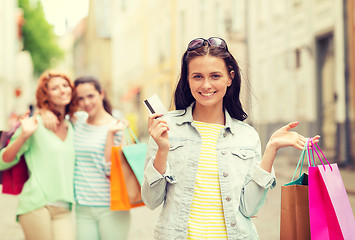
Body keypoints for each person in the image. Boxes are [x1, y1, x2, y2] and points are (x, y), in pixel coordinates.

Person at [141, 37, 320, 239]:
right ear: (187, 80)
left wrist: (272, 149)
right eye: (197, 76)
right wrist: (163, 150)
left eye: (215, 75)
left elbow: (249, 208)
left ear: (230, 77)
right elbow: (151, 200)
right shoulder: (166, 127)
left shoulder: (247, 136)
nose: (206, 85)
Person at [41, 76, 130, 240]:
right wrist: (45, 112)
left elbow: (111, 171)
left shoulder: (117, 127)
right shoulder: (77, 121)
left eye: (91, 96)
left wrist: (110, 136)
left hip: (111, 207)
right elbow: (55, 111)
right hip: (83, 207)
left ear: (101, 94)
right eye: (80, 98)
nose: (86, 102)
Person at [0, 71, 77, 240]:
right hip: (36, 204)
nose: (63, 90)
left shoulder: (73, 127)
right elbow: (2, 161)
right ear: (46, 95)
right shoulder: (34, 124)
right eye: (55, 88)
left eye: (65, 86)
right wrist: (24, 135)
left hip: (64, 206)